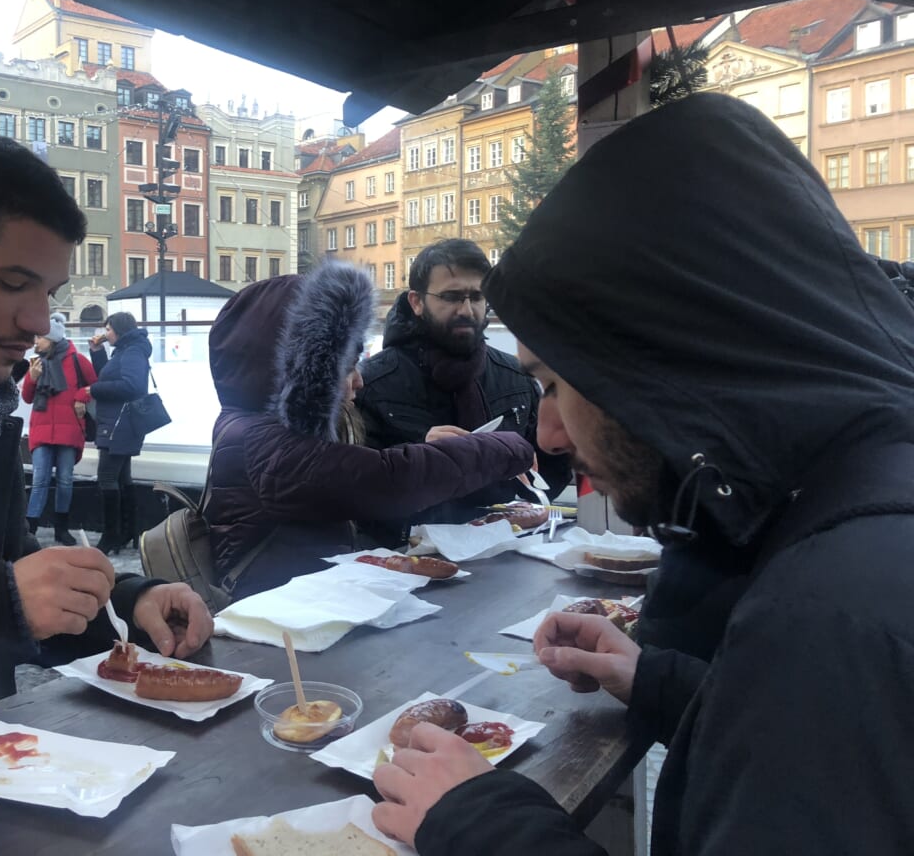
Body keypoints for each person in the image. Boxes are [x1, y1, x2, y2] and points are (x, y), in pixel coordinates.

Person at [371, 94, 914, 854]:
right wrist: (663, 682)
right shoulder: (863, 507)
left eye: (554, 383)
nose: (550, 430)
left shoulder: (825, 621)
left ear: (647, 360)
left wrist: (482, 824)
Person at [0, 132, 211, 711]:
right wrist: (3, 601)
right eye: (14, 283)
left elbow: (13, 568)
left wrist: (124, 604)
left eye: (49, 292)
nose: (37, 319)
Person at [204, 260, 535, 599]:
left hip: (301, 599)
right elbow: (384, 480)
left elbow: (352, 471)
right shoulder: (261, 439)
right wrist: (503, 447)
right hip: (267, 616)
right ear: (300, 372)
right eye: (345, 367)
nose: (359, 381)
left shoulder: (260, 428)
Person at [355, 239, 570, 538]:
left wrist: (526, 479)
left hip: (506, 553)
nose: (467, 310)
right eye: (452, 297)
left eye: (477, 296)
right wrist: (418, 456)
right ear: (417, 302)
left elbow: (551, 471)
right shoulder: (370, 382)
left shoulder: (515, 376)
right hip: (403, 561)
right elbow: (353, 487)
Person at [21, 313, 96, 542]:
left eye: (40, 338)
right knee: (40, 479)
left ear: (52, 339)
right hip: (43, 430)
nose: (36, 342)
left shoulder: (77, 360)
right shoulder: (36, 363)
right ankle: (29, 528)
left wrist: (81, 396)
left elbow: (95, 385)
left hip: (69, 430)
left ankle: (61, 528)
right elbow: (26, 397)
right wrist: (32, 378)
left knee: (65, 479)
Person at [87, 312, 153, 555]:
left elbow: (132, 386)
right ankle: (127, 531)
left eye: (108, 329)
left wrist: (93, 389)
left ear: (120, 329)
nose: (106, 334)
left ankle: (111, 535)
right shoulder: (125, 350)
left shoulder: (133, 351)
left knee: (106, 476)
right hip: (116, 422)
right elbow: (109, 376)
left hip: (119, 423)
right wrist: (97, 352)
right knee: (121, 477)